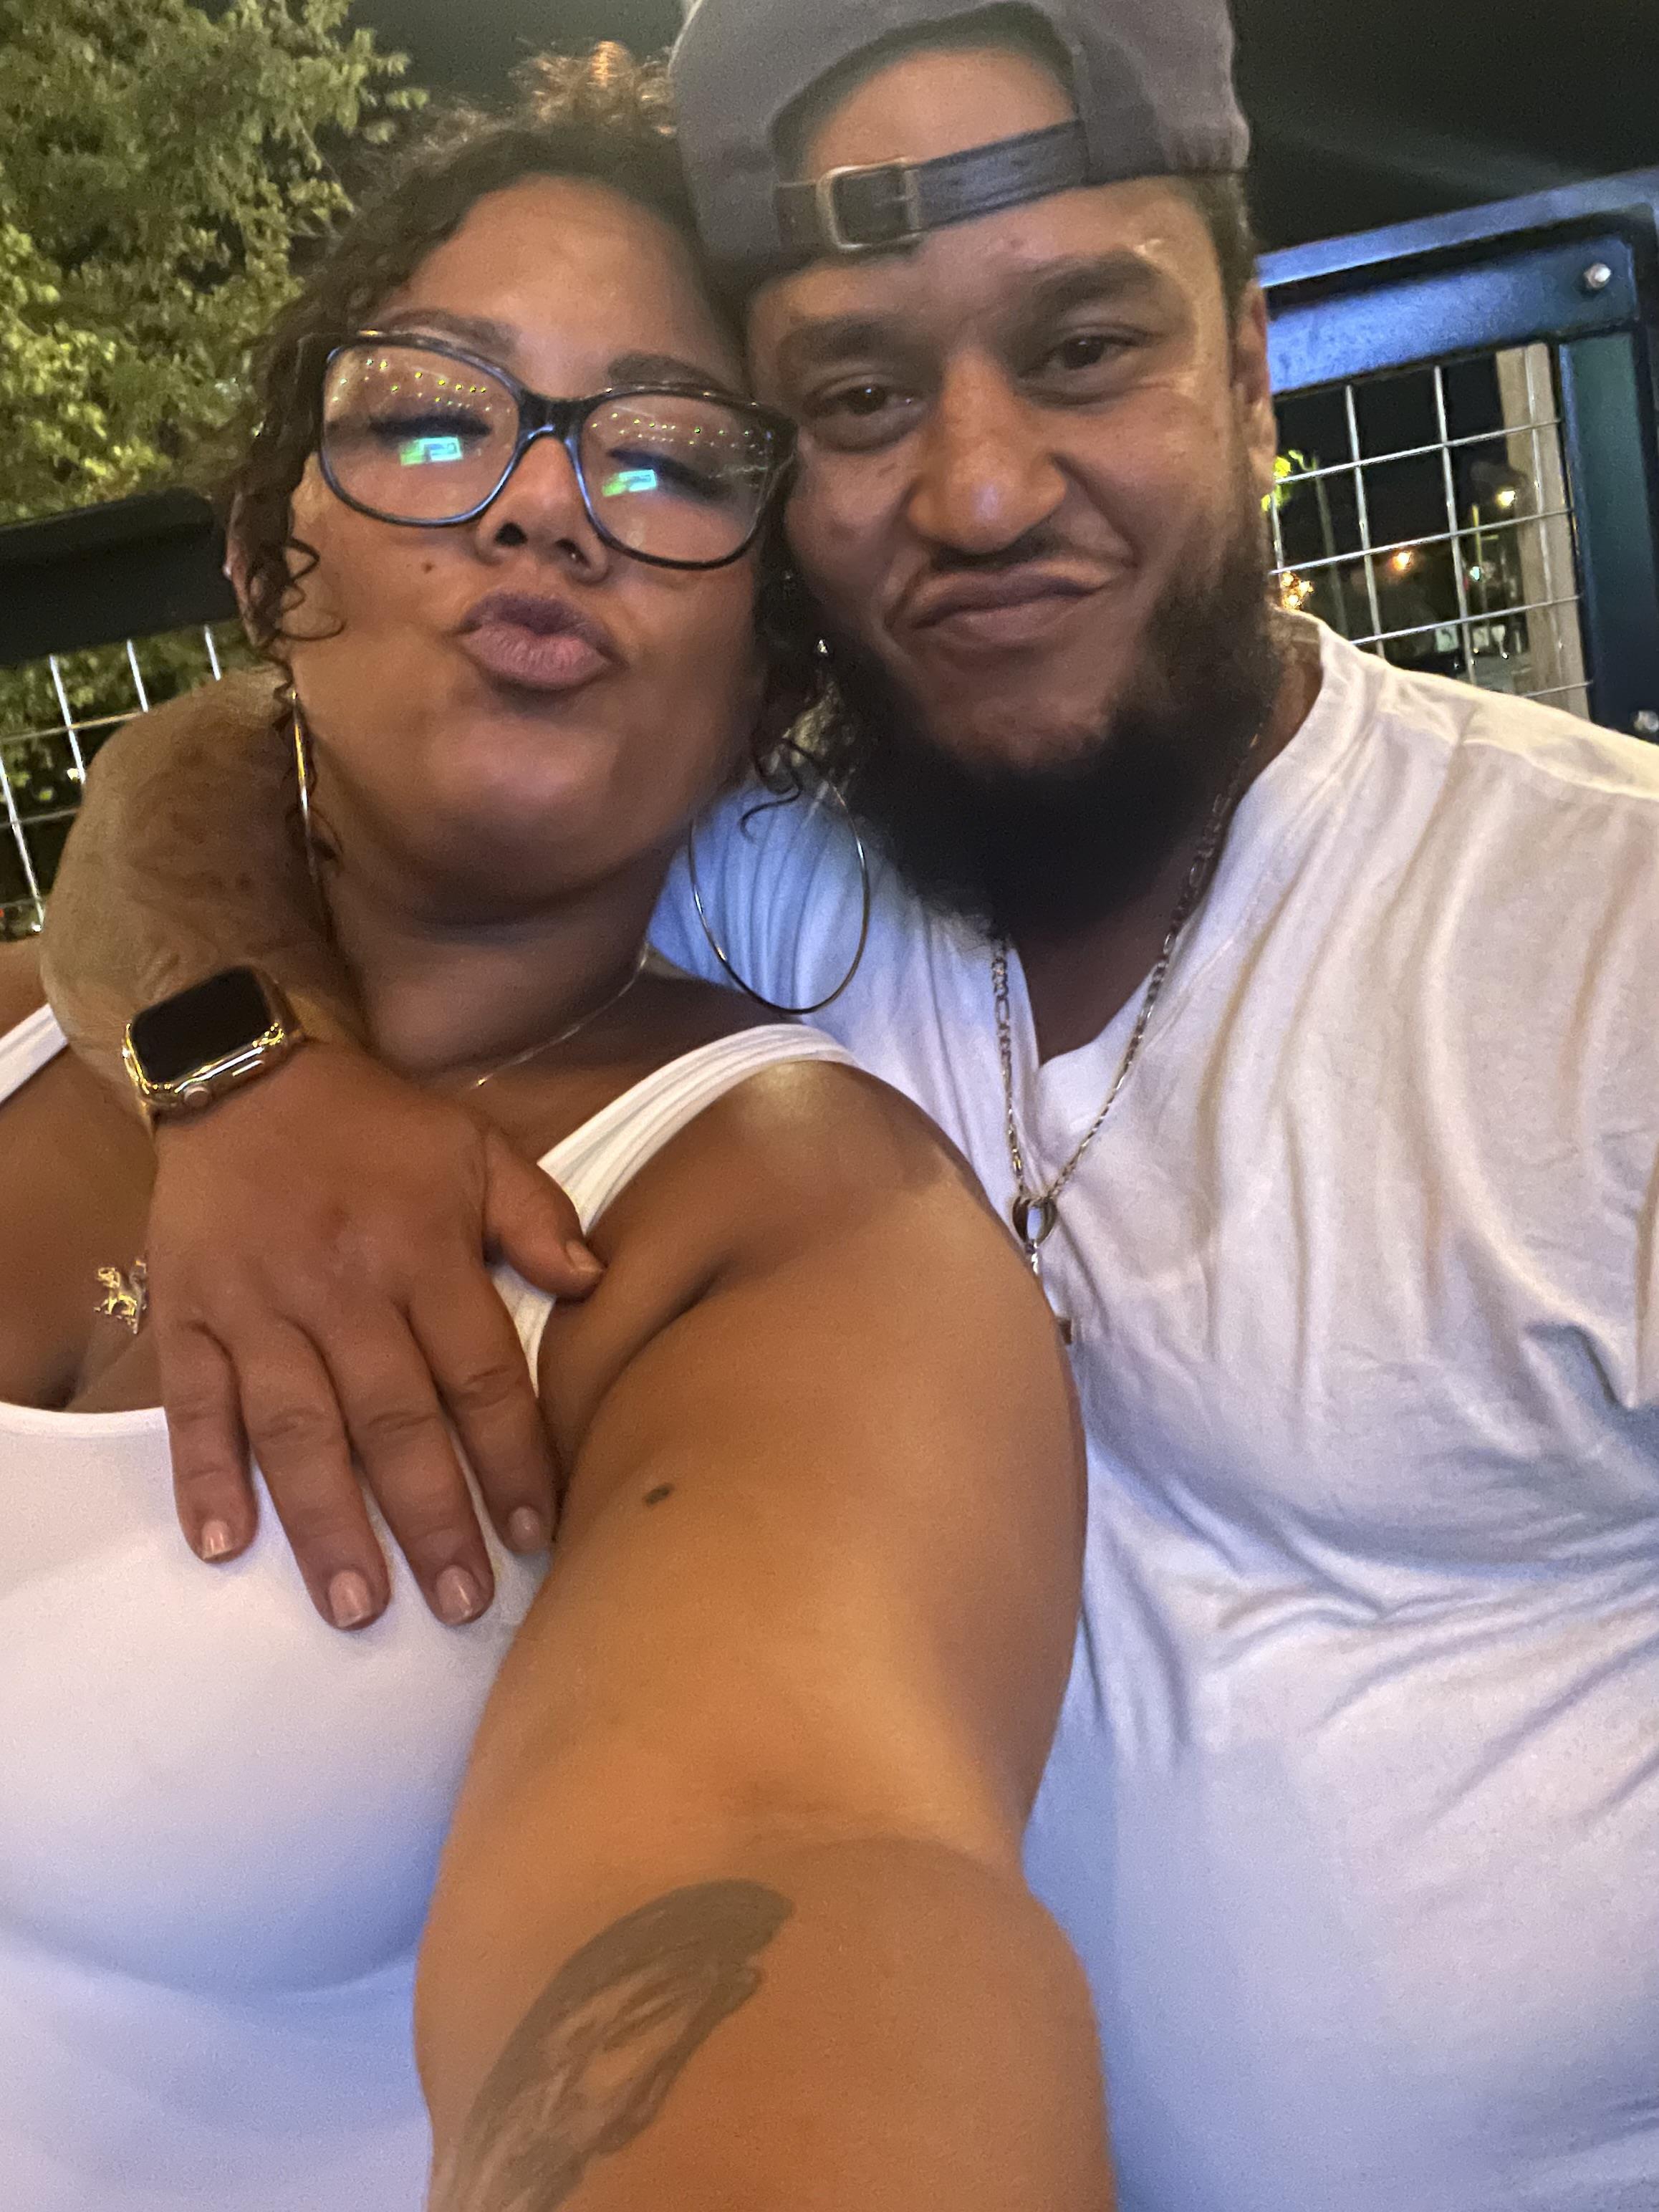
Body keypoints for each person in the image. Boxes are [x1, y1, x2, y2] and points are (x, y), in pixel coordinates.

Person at [41, 1, 1659, 2207]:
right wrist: (242, 1063)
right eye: (861, 397)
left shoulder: (1598, 949)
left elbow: (764, 1854)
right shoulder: (760, 867)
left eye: (1082, 348)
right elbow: (242, 753)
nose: (979, 492)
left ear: (1248, 366)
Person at [1, 51, 1109, 2212]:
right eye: (432, 418)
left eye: (670, 461)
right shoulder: (41, 1019)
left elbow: (781, 1856)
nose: (543, 507)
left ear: (771, 665)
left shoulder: (794, 1231)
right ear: (269, 557)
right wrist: (240, 1062)